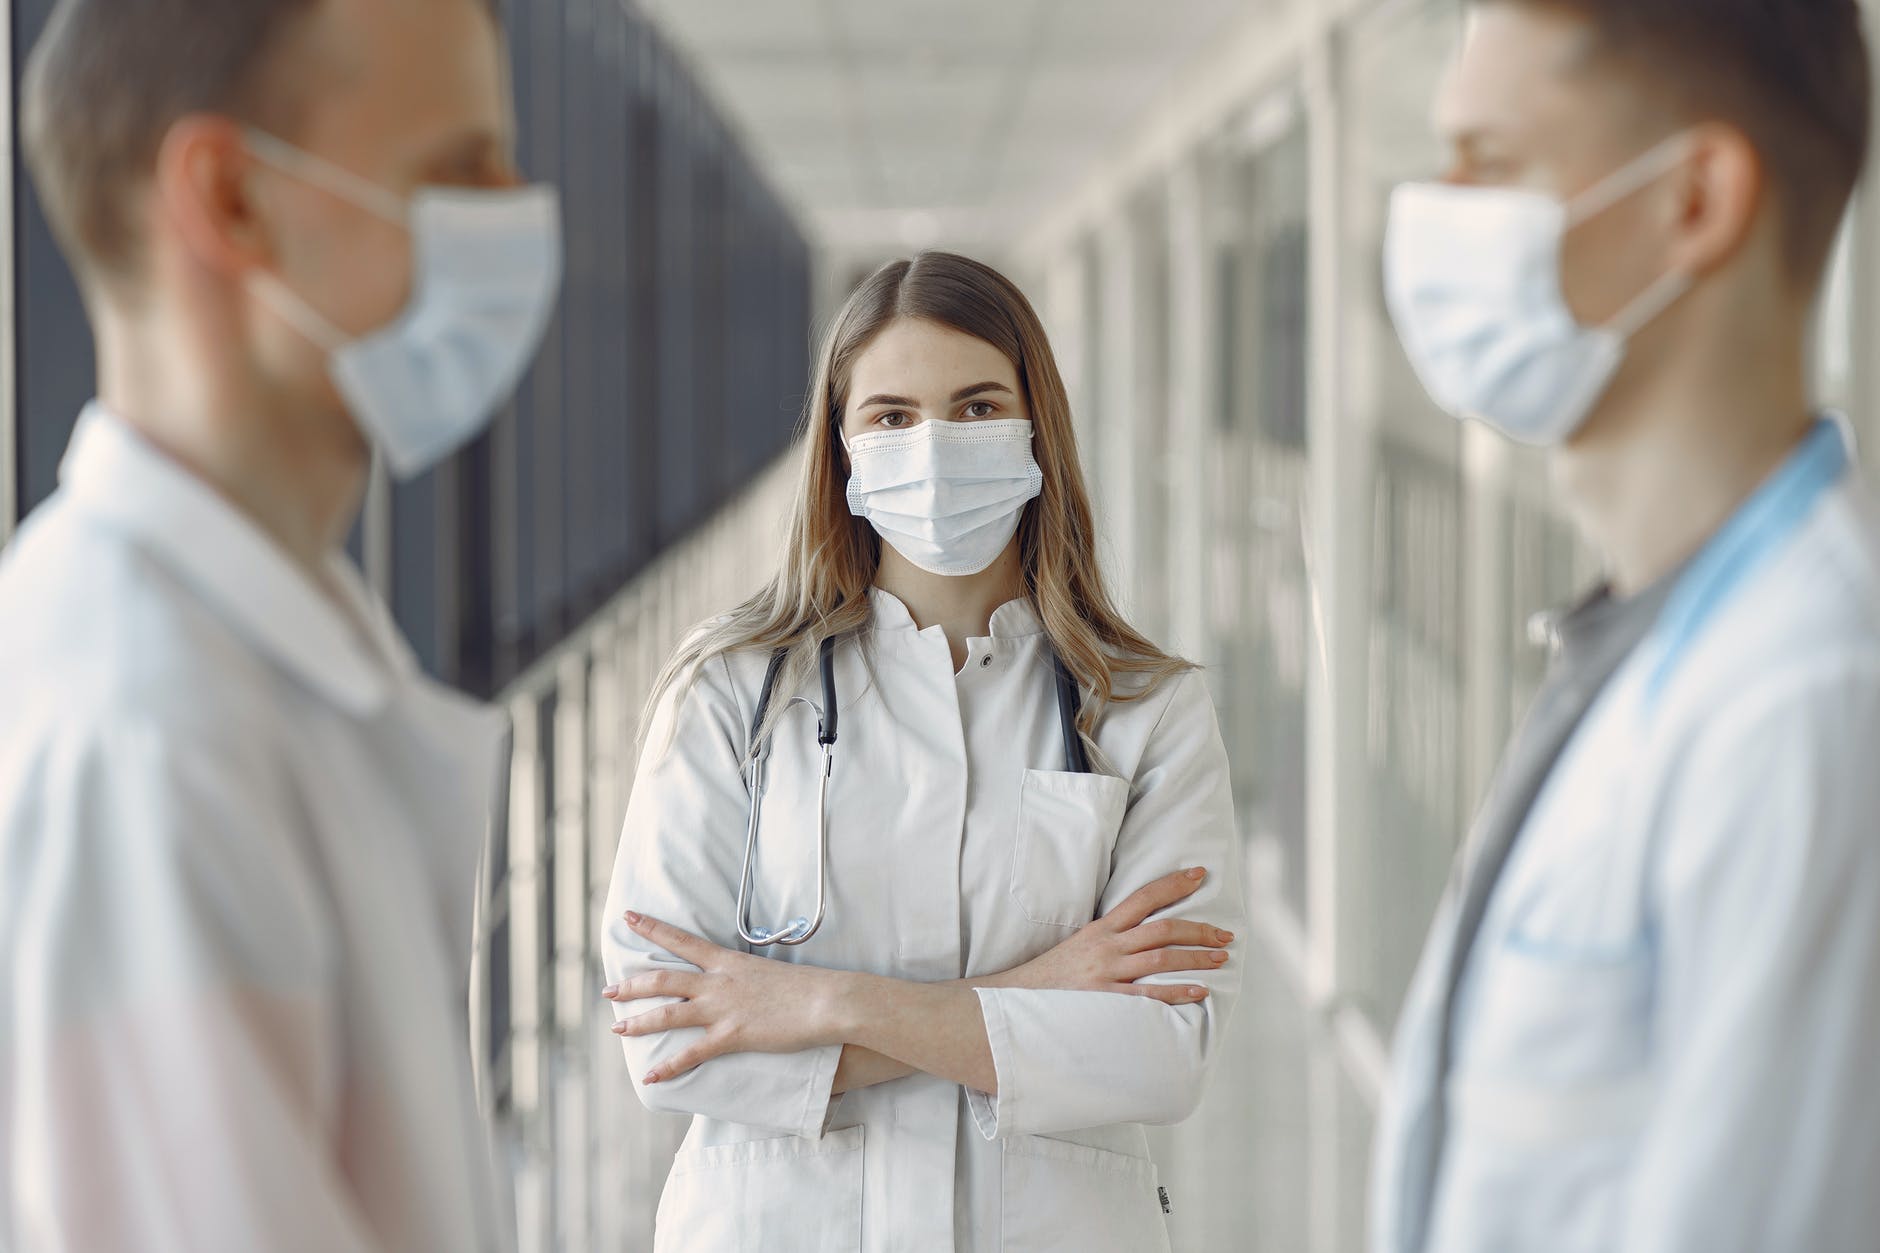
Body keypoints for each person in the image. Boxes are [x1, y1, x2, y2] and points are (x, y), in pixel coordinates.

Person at [0, 0, 559, 1248]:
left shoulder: (264, 655)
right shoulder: (146, 737)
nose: (519, 212)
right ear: (234, 200)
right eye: (459, 170)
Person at [600, 251, 1245, 1252]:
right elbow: (670, 1039)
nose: (935, 444)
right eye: (892, 416)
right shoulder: (730, 688)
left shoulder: (1144, 707)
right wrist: (1041, 992)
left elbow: (1161, 1052)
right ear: (843, 451)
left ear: (1037, 433)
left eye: (977, 406)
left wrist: (817, 1000)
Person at [1370, 2, 1880, 1250]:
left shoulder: (1808, 704)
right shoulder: (1646, 643)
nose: (1431, 214)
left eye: (1486, 164)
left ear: (1691, 201)